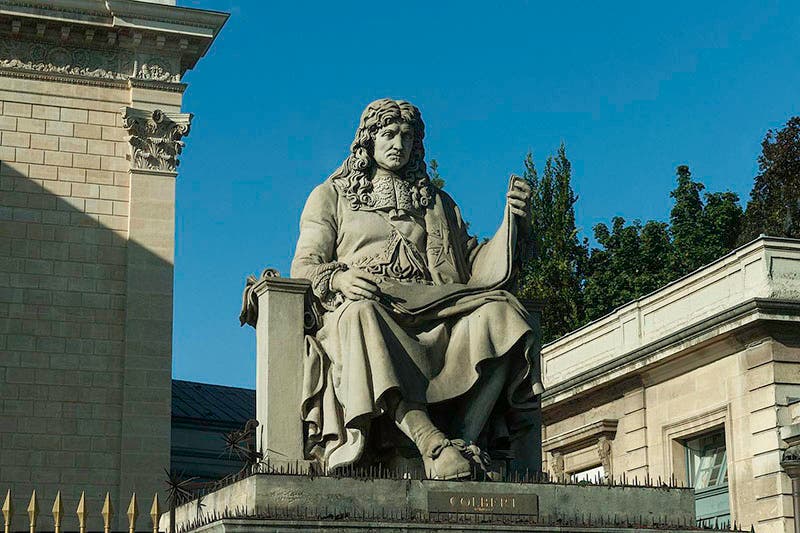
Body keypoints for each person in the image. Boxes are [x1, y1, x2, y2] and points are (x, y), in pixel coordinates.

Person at [291, 98, 543, 480]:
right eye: (389, 134)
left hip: (438, 309)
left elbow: (475, 268)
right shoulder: (331, 196)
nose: (398, 144)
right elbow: (305, 266)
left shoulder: (438, 203)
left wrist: (513, 225)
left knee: (504, 313)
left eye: (407, 137)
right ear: (368, 141)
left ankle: (464, 439)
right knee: (361, 314)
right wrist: (339, 278)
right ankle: (430, 443)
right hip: (372, 308)